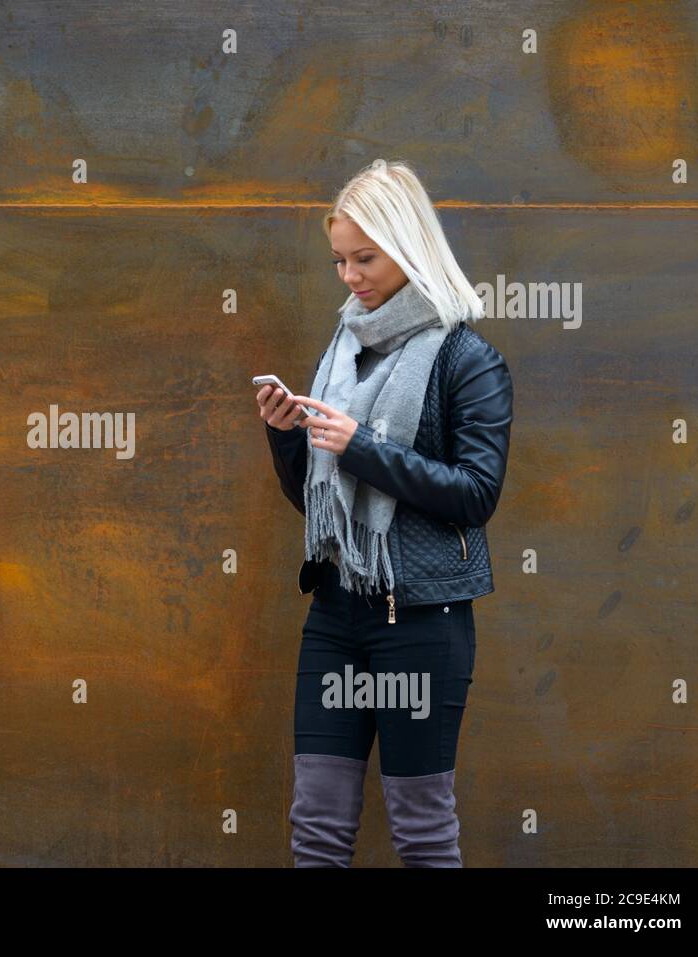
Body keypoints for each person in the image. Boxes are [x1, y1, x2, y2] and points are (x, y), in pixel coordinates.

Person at [256, 158, 513, 867]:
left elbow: (476, 494)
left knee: (424, 834)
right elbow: (318, 500)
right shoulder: (344, 352)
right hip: (337, 616)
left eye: (364, 258)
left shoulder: (470, 361)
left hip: (423, 622)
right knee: (316, 829)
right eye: (339, 260)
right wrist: (286, 435)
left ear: (409, 245)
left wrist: (363, 446)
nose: (350, 276)